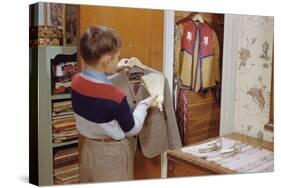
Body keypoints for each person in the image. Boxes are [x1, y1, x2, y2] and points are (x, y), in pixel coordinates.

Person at [71, 25, 157, 182]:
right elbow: (132, 129)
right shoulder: (115, 96)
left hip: (88, 150)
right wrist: (144, 105)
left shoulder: (76, 82)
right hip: (111, 156)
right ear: (106, 60)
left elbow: (95, 87)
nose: (118, 60)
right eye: (116, 57)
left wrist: (114, 69)